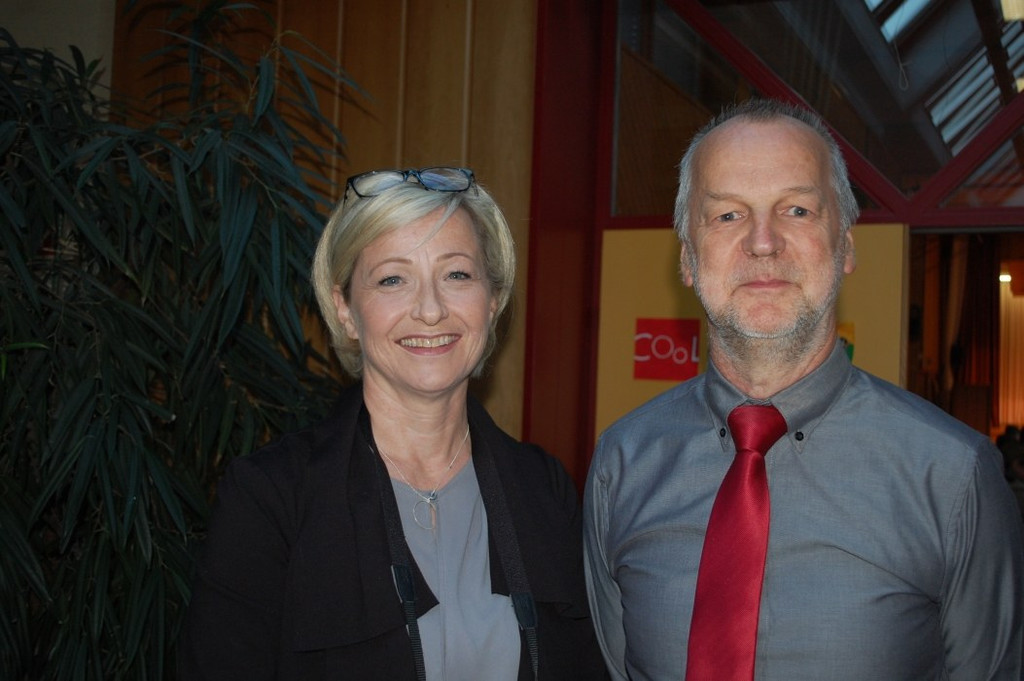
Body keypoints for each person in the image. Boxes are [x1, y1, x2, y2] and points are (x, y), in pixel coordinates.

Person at [583, 99, 1024, 680]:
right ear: (688, 259)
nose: (763, 242)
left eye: (796, 209)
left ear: (846, 245)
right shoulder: (621, 464)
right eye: (727, 215)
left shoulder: (953, 476)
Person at [180, 167, 608, 680]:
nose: (430, 310)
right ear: (344, 309)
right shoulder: (271, 497)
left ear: (492, 301)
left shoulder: (544, 487)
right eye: (392, 279)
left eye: (456, 275)